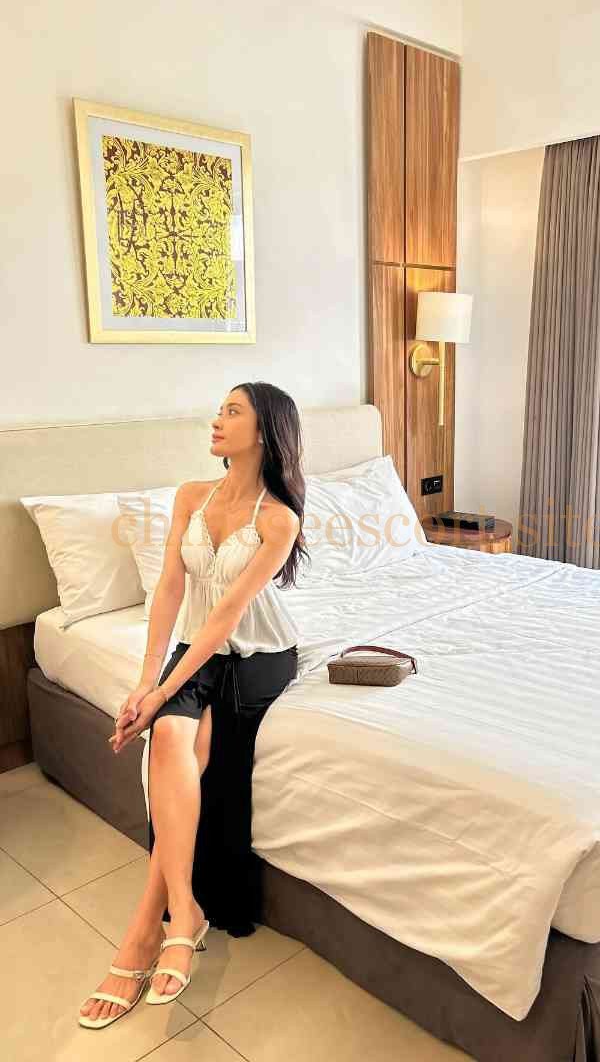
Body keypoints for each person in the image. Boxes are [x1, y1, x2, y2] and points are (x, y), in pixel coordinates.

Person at [78, 381, 309, 1028]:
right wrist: (145, 683)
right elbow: (170, 591)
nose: (216, 420)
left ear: (265, 431)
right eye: (219, 409)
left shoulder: (278, 519)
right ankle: (184, 913)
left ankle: (143, 932)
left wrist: (162, 696)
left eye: (232, 412)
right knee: (171, 737)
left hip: (259, 652)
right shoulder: (189, 496)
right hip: (194, 645)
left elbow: (229, 615)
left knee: (195, 738)